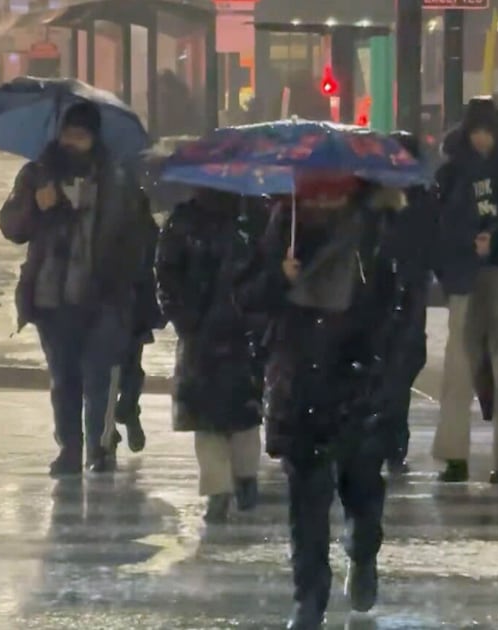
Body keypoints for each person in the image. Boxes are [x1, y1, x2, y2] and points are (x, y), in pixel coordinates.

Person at [236, 176, 403, 629]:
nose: (323, 201)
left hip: (357, 380)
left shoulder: (373, 234)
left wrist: (379, 366)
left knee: (363, 488)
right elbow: (247, 296)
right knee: (306, 503)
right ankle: (308, 598)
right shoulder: (280, 228)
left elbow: (397, 308)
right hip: (298, 380)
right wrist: (279, 277)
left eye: (332, 193)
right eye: (316, 193)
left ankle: (363, 552)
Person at [0, 101, 149, 476]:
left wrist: (127, 284)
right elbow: (12, 227)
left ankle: (98, 447)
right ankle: (69, 448)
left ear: (94, 138)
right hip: (53, 297)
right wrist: (35, 206)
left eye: (81, 136)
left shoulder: (117, 180)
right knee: (64, 379)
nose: (72, 142)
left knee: (98, 377)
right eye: (68, 134)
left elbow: (140, 236)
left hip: (104, 297)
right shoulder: (37, 175)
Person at [431, 97, 498, 485]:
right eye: (476, 131)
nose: (481, 139)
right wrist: (464, 245)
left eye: (487, 131)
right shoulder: (451, 174)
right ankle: (454, 456)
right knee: (460, 367)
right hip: (464, 273)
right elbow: (440, 224)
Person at [156, 189, 265, 523]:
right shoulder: (253, 217)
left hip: (224, 332)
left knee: (227, 418)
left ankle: (234, 483)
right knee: (236, 416)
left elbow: (166, 275)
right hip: (220, 333)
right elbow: (167, 275)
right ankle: (230, 485)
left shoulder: (249, 219)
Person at [372, 130, 440, 475]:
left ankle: (393, 442)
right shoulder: (373, 202)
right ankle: (385, 440)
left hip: (408, 293)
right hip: (378, 295)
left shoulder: (424, 201)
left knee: (398, 370)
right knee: (381, 371)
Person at [112, 188, 165, 454]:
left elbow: (156, 249)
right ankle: (121, 416)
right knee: (122, 367)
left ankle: (126, 411)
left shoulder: (135, 203)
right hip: (117, 300)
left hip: (132, 300)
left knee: (127, 367)